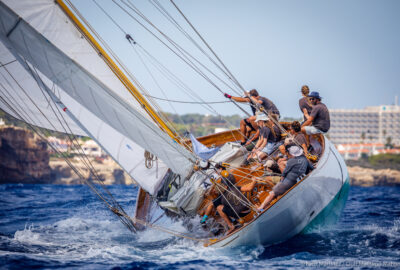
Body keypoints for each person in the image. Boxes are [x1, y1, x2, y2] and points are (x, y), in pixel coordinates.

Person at [257, 145, 314, 211]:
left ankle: (261, 207)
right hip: (299, 178)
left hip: (289, 181)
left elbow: (284, 173)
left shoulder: (290, 161)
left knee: (272, 193)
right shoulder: (304, 159)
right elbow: (312, 168)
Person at [200, 163, 249, 235]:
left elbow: (223, 188)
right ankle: (231, 219)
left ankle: (203, 220)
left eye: (216, 170)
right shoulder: (229, 175)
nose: (215, 172)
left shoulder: (223, 178)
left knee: (212, 205)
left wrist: (214, 189)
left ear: (220, 169)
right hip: (233, 192)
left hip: (226, 195)